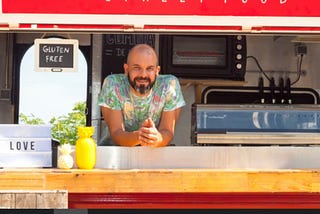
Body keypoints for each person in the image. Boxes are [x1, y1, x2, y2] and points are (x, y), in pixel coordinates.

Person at [98, 44, 186, 147]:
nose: (143, 75)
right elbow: (117, 133)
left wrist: (158, 139)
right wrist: (140, 136)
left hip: (153, 154)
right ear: (126, 69)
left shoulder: (169, 86)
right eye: (136, 68)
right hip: (114, 155)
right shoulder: (113, 84)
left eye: (149, 69)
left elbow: (167, 131)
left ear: (157, 71)